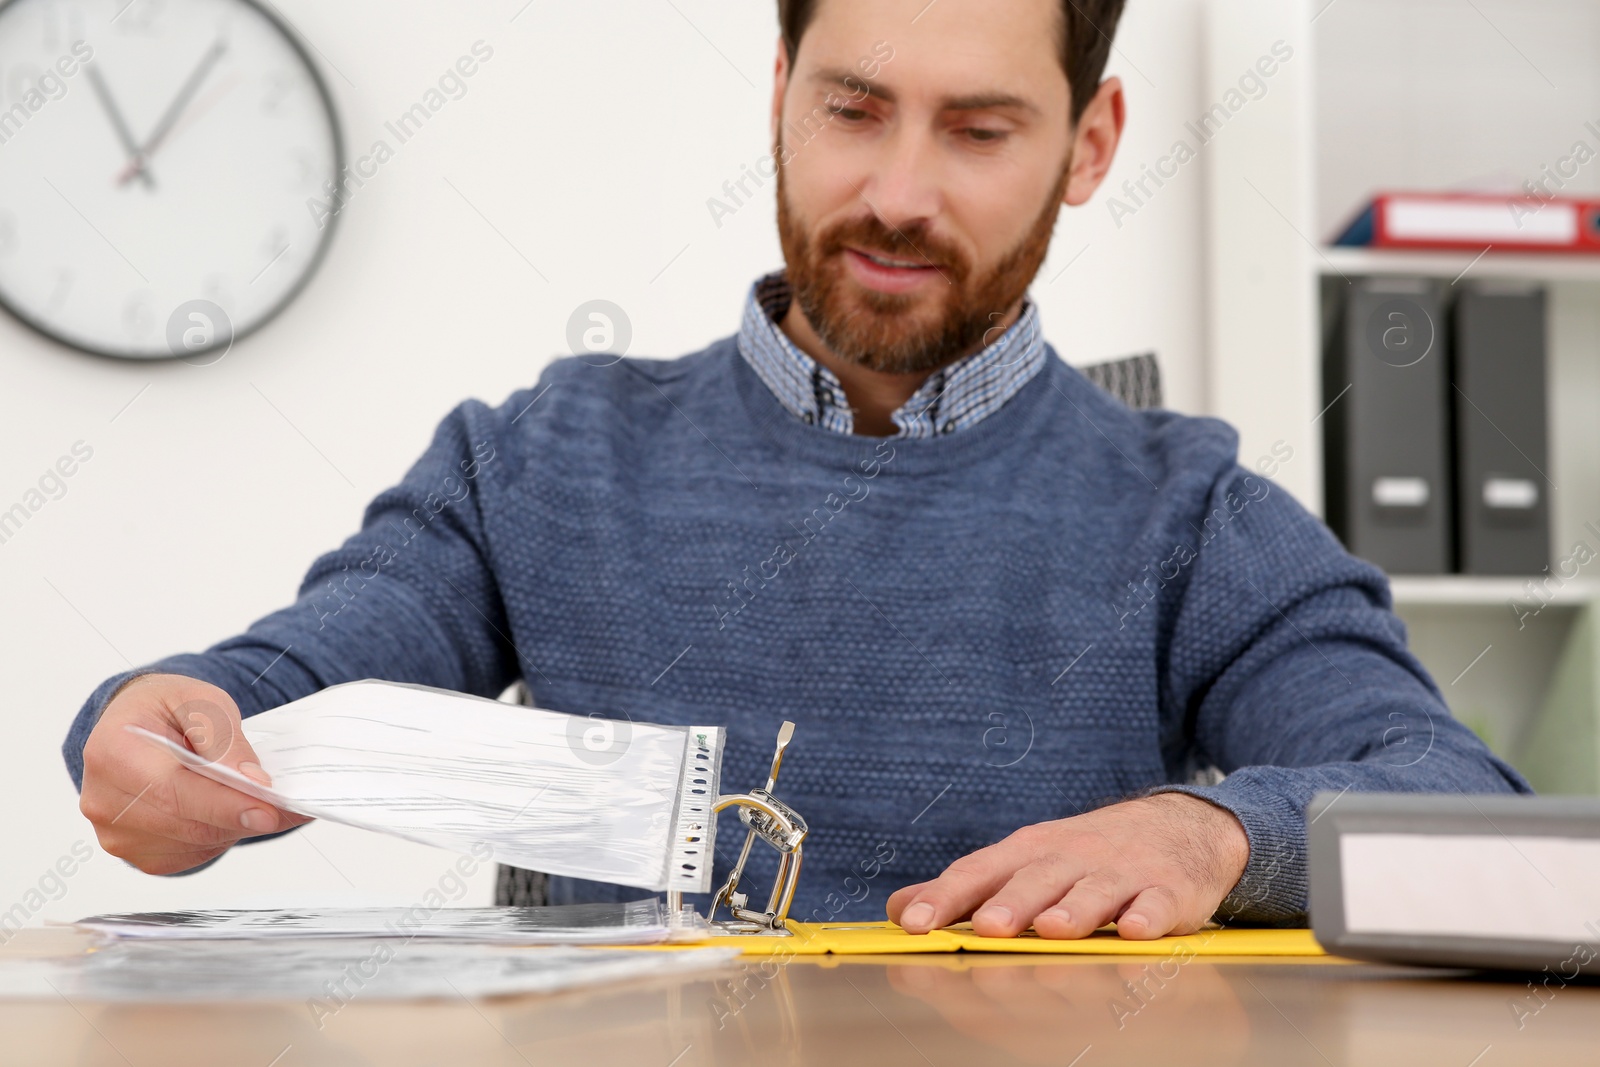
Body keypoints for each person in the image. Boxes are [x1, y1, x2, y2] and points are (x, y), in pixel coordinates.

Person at [65, 0, 1529, 940]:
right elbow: (265, 692)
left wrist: (1216, 830)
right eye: (850, 108)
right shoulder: (538, 460)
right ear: (777, 88)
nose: (896, 193)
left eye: (979, 129)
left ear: (1092, 146)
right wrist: (145, 730)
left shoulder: (1197, 515)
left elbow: (1453, 808)